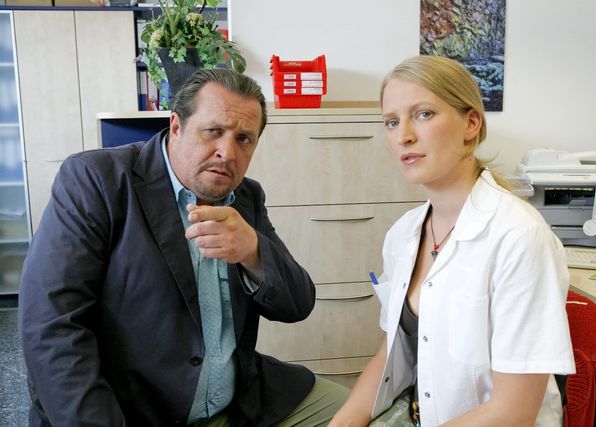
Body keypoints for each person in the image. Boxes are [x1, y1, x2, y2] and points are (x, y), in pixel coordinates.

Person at [19, 68, 349, 426]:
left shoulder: (246, 197)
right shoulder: (97, 179)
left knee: (366, 411)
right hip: (133, 411)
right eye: (213, 131)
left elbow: (297, 304)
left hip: (239, 401)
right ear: (176, 126)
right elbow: (51, 328)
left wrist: (253, 251)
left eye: (243, 139)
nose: (227, 152)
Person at [329, 56, 576, 427]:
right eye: (392, 122)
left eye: (423, 114)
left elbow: (513, 411)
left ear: (471, 124)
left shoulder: (519, 237)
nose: (403, 135)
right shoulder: (403, 235)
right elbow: (390, 355)